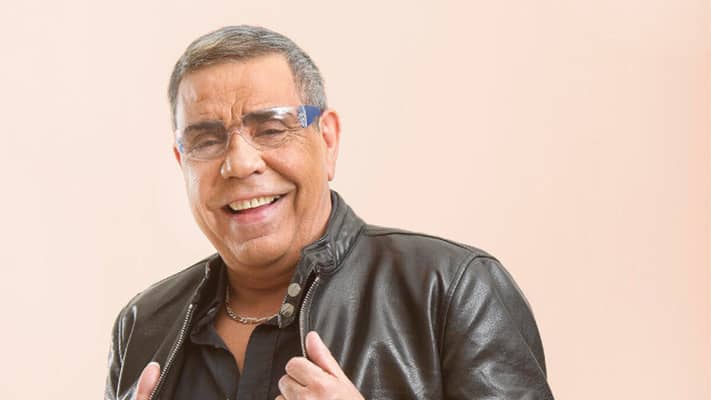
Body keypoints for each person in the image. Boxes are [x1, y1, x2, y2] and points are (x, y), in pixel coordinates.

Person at [105, 25, 554, 400]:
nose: (240, 163)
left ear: (328, 140)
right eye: (206, 140)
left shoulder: (453, 290)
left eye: (271, 129)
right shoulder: (142, 326)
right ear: (182, 163)